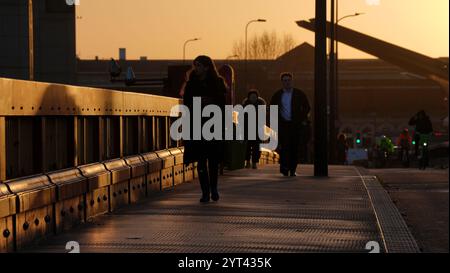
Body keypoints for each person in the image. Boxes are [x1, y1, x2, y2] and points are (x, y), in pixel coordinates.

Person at [182, 55, 227, 203]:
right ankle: (205, 192)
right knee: (201, 161)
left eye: (199, 65)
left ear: (207, 67)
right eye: (195, 65)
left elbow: (224, 102)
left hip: (213, 124)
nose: (196, 68)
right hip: (197, 124)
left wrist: (210, 101)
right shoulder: (191, 83)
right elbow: (186, 102)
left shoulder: (218, 82)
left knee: (213, 160)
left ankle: (214, 188)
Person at [270, 72, 311, 176]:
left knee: (294, 147)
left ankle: (292, 169)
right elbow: (272, 109)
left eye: (288, 80)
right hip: (283, 124)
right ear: (282, 82)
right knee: (284, 147)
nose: (287, 82)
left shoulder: (299, 94)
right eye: (284, 81)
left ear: (292, 81)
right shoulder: (277, 95)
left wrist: (301, 118)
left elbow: (307, 107)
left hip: (295, 125)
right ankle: (284, 168)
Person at [242, 89, 267, 169]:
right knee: (247, 147)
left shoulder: (261, 105)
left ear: (257, 97)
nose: (253, 98)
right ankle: (247, 162)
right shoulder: (244, 105)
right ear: (249, 97)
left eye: (254, 96)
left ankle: (254, 162)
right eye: (251, 96)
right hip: (247, 129)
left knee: (257, 147)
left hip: (258, 129)